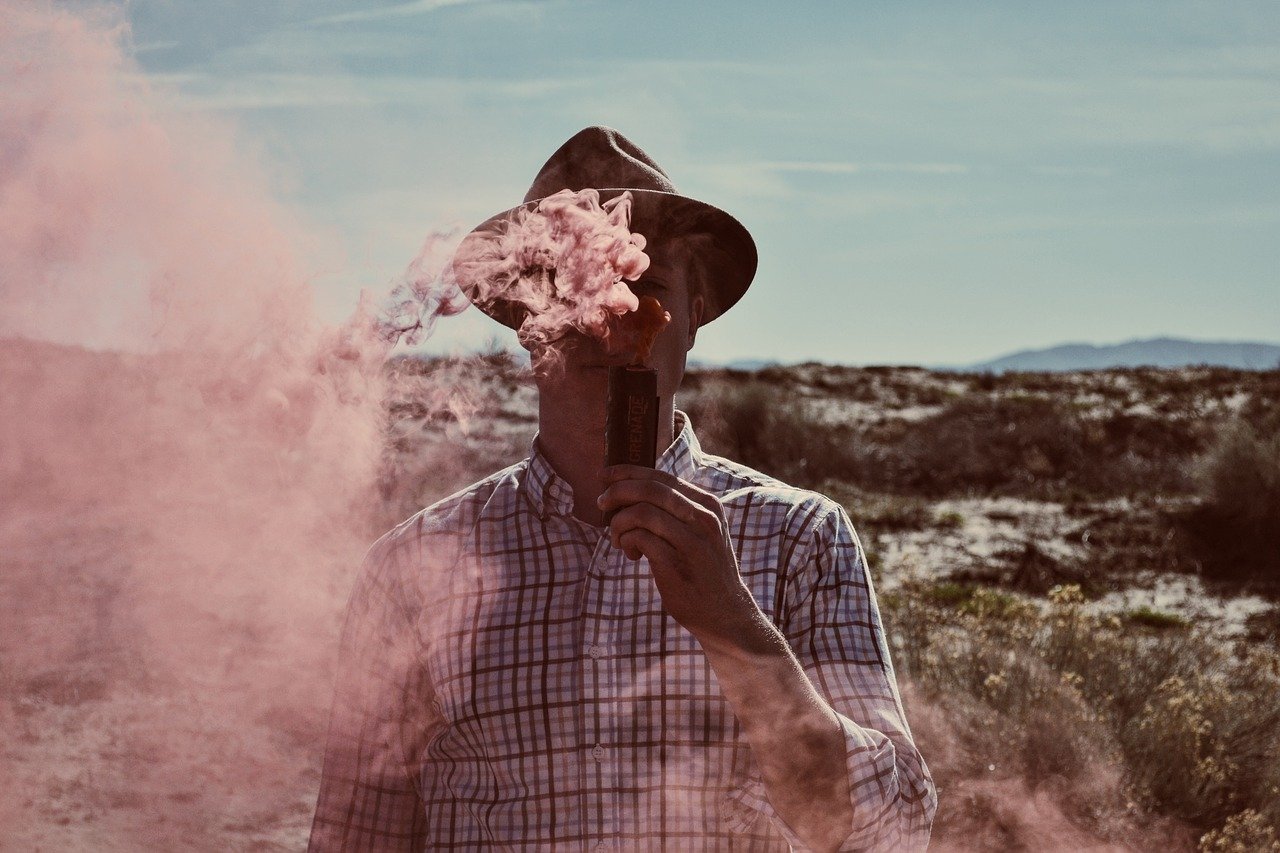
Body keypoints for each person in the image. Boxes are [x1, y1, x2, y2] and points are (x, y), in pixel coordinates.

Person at [309, 127, 937, 851]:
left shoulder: (801, 539)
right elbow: (354, 837)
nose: (611, 323)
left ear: (694, 315)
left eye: (645, 291)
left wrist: (733, 624)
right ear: (525, 320)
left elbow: (892, 832)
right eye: (575, 285)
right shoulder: (410, 571)